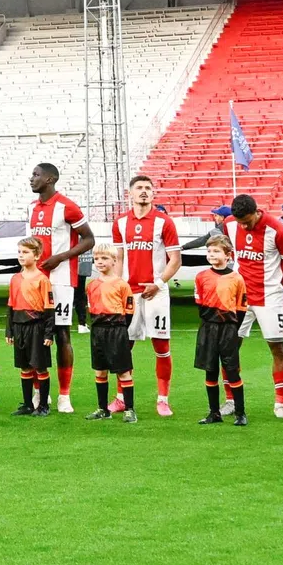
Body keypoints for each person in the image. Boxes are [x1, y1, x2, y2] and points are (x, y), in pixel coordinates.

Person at [27, 162, 96, 413]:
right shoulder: (31, 208)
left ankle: (64, 396)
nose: (31, 179)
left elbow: (89, 239)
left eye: (36, 175)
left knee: (62, 334)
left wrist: (60, 257)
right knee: (34, 336)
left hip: (61, 279)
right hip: (34, 280)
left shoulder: (67, 206)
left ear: (50, 179)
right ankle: (38, 393)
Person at [224, 193, 283, 417]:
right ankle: (230, 400)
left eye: (247, 221)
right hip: (239, 297)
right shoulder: (230, 225)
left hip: (269, 296)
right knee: (229, 348)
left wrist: (274, 283)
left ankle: (281, 404)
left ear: (257, 212)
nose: (244, 226)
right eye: (240, 223)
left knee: (278, 347)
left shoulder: (278, 230)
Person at [113, 175, 180, 417]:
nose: (144, 192)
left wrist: (159, 282)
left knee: (161, 345)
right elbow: (118, 258)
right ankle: (120, 397)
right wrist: (118, 287)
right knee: (124, 345)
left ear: (154, 194)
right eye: (139, 188)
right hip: (129, 292)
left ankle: (163, 399)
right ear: (129, 194)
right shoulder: (120, 222)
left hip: (156, 293)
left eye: (148, 188)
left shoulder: (164, 222)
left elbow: (175, 260)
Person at [194, 236, 249, 426]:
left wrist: (232, 328)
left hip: (228, 329)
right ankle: (214, 412)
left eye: (216, 251)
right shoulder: (201, 277)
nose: (211, 255)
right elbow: (200, 303)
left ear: (228, 255)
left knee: (232, 371)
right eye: (209, 251)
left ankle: (240, 413)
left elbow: (241, 308)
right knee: (210, 371)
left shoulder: (236, 278)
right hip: (208, 329)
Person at [84, 244, 138, 423]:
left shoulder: (122, 285)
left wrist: (119, 329)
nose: (100, 262)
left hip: (117, 331)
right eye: (97, 258)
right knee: (100, 371)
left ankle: (129, 409)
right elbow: (90, 308)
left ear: (114, 261)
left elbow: (129, 311)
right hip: (98, 332)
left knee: (123, 372)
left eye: (104, 258)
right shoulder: (91, 285)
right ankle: (102, 408)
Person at [6, 238, 55, 417]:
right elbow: (11, 306)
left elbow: (49, 308)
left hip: (37, 327)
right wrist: (9, 330)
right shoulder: (15, 279)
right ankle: (27, 404)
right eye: (19, 252)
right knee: (25, 367)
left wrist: (49, 333)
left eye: (25, 252)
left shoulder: (42, 280)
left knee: (40, 367)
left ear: (36, 255)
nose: (21, 255)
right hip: (19, 327)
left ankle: (43, 405)